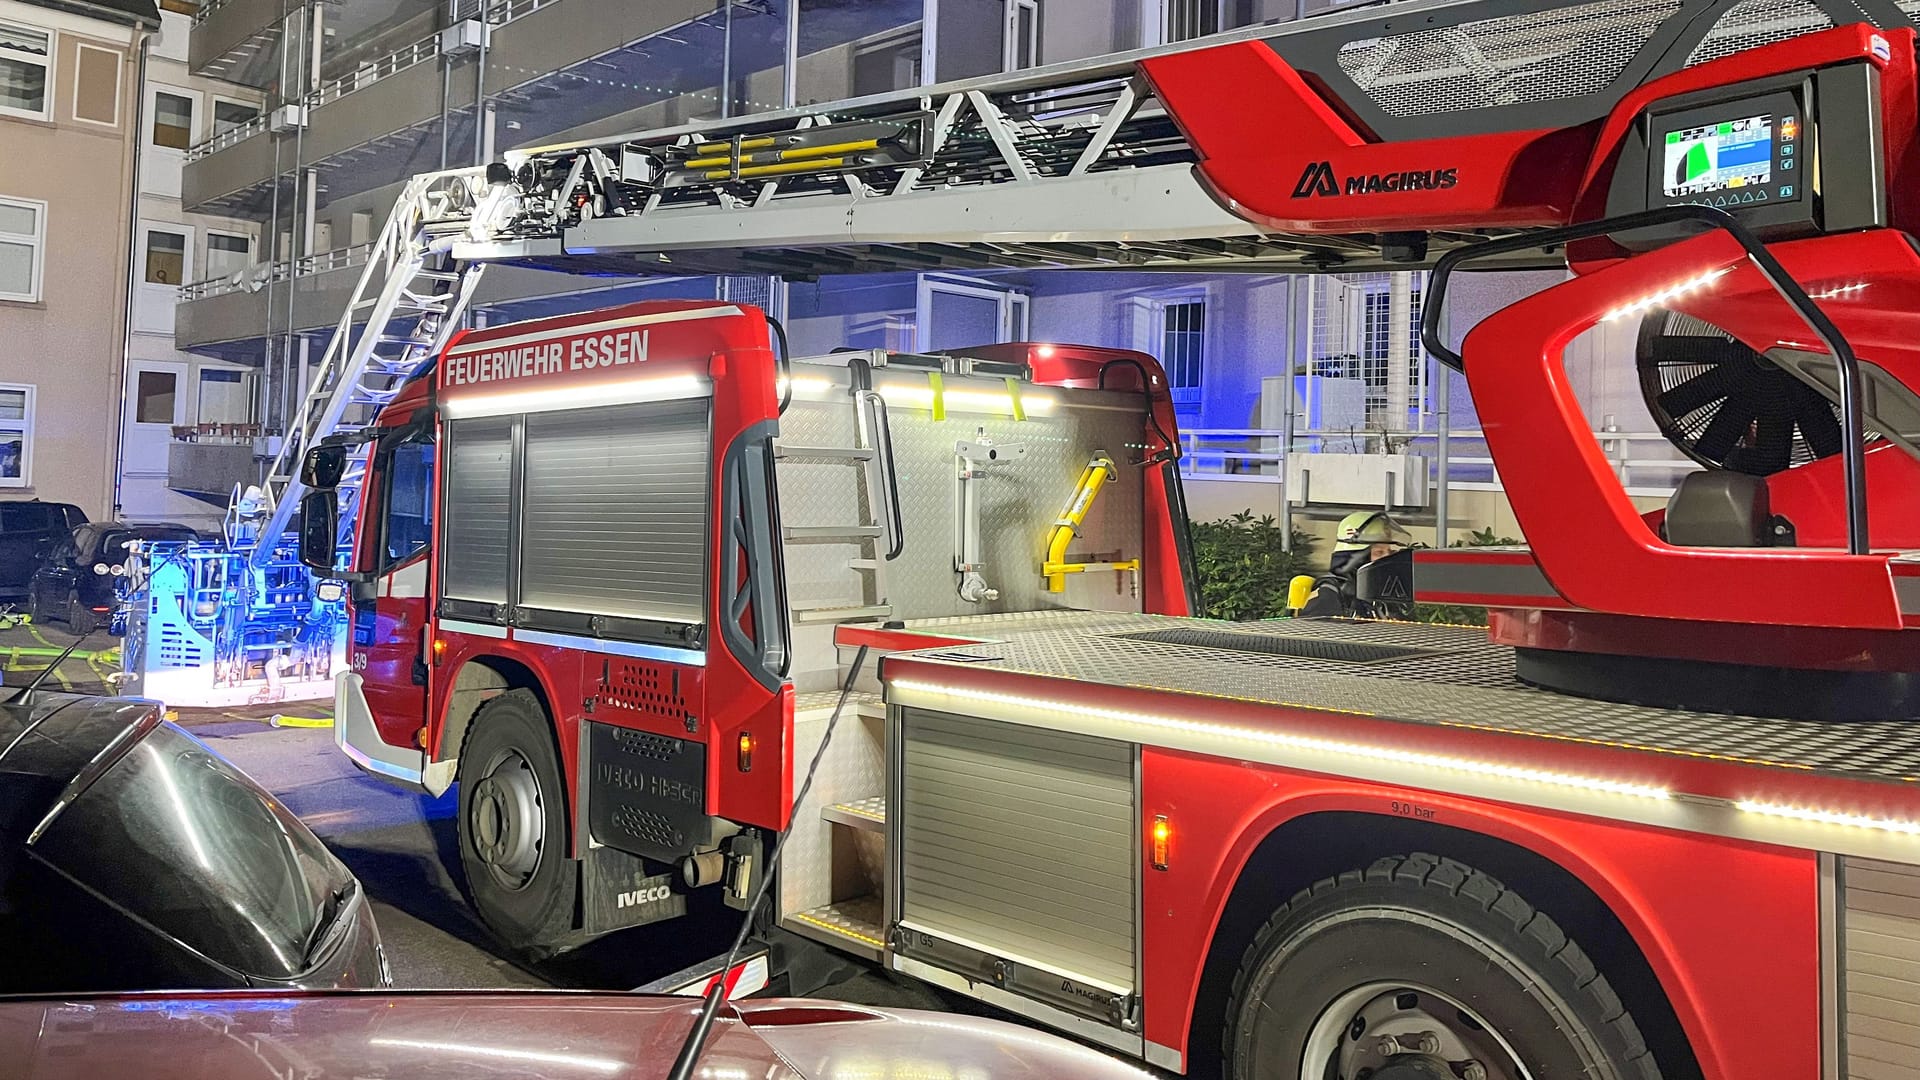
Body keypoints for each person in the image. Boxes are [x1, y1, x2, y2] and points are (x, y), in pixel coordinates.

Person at [1298, 510, 1412, 619]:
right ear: (1358, 559)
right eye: (1379, 552)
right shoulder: (1328, 597)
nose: (1387, 558)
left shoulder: (1383, 597)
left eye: (1390, 552)